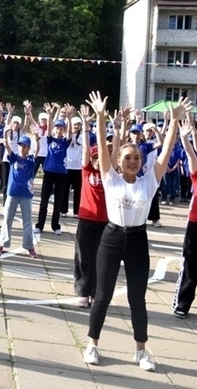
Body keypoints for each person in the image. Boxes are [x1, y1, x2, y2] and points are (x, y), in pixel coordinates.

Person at [83, 91, 191, 372]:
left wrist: (175, 123)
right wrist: (100, 116)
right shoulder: (111, 178)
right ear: (119, 160)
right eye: (128, 157)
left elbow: (166, 150)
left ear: (142, 162)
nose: (132, 161)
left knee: (137, 298)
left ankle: (141, 351)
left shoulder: (149, 181)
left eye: (136, 158)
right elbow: (104, 150)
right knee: (103, 294)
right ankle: (92, 344)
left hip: (137, 240)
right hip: (111, 237)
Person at [73, 104, 107, 308]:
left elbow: (109, 152)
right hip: (86, 219)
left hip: (104, 221)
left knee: (99, 259)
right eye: (93, 158)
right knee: (82, 257)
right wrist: (86, 126)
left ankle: (96, 292)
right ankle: (83, 293)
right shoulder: (86, 172)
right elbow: (87, 149)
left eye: (98, 158)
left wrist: (118, 128)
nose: (95, 160)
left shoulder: (108, 174)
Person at [0, 120, 39, 259]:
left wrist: (37, 137)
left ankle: (29, 246)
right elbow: (7, 145)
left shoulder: (31, 160)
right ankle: (2, 243)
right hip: (12, 192)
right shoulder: (13, 158)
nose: (21, 148)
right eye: (20, 145)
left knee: (27, 221)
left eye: (24, 146)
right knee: (7, 219)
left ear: (28, 148)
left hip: (26, 194)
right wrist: (6, 132)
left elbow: (37, 151)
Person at [173, 118, 197, 318]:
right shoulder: (196, 171)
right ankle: (183, 303)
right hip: (195, 223)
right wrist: (184, 137)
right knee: (190, 264)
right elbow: (191, 153)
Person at [34, 109, 72, 235]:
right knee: (44, 200)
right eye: (57, 128)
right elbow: (49, 128)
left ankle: (56, 226)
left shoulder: (65, 142)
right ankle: (40, 225)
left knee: (58, 202)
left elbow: (70, 133)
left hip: (61, 174)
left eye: (62, 129)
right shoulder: (50, 140)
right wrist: (50, 115)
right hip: (49, 172)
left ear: (64, 130)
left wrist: (70, 118)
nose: (59, 130)